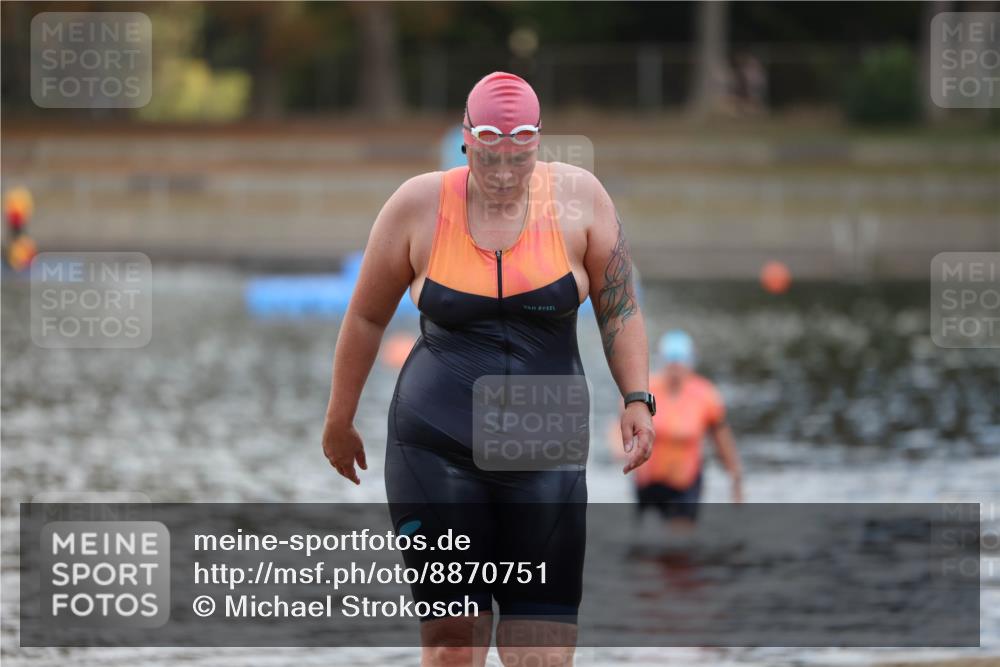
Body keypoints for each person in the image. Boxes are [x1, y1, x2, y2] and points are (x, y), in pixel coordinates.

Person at [321, 72, 656, 667]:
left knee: (542, 654)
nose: (503, 175)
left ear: (539, 145)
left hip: (545, 448)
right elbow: (367, 317)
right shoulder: (417, 205)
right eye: (489, 159)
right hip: (435, 446)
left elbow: (619, 307)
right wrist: (339, 418)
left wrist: (637, 398)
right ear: (466, 142)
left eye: (519, 160)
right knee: (454, 646)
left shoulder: (581, 199)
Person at [631, 330, 743, 532]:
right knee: (644, 546)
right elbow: (620, 424)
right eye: (671, 363)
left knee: (678, 547)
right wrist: (620, 448)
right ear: (663, 362)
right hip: (648, 482)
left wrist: (735, 475)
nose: (675, 370)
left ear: (689, 363)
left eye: (680, 362)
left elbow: (721, 438)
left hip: (685, 482)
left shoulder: (705, 395)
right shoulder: (645, 390)